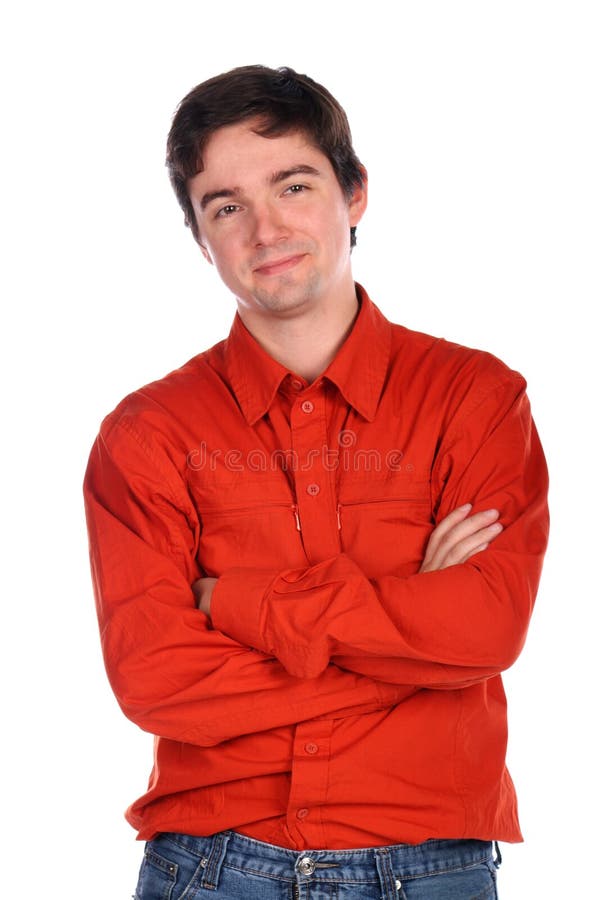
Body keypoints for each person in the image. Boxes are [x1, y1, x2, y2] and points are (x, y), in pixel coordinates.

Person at [83, 65, 549, 900]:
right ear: (201, 238)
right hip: (214, 867)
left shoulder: (474, 399)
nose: (265, 229)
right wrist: (414, 647)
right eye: (226, 207)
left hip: (432, 867)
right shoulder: (148, 434)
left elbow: (485, 629)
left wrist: (235, 605)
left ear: (355, 192)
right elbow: (156, 678)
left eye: (292, 185)